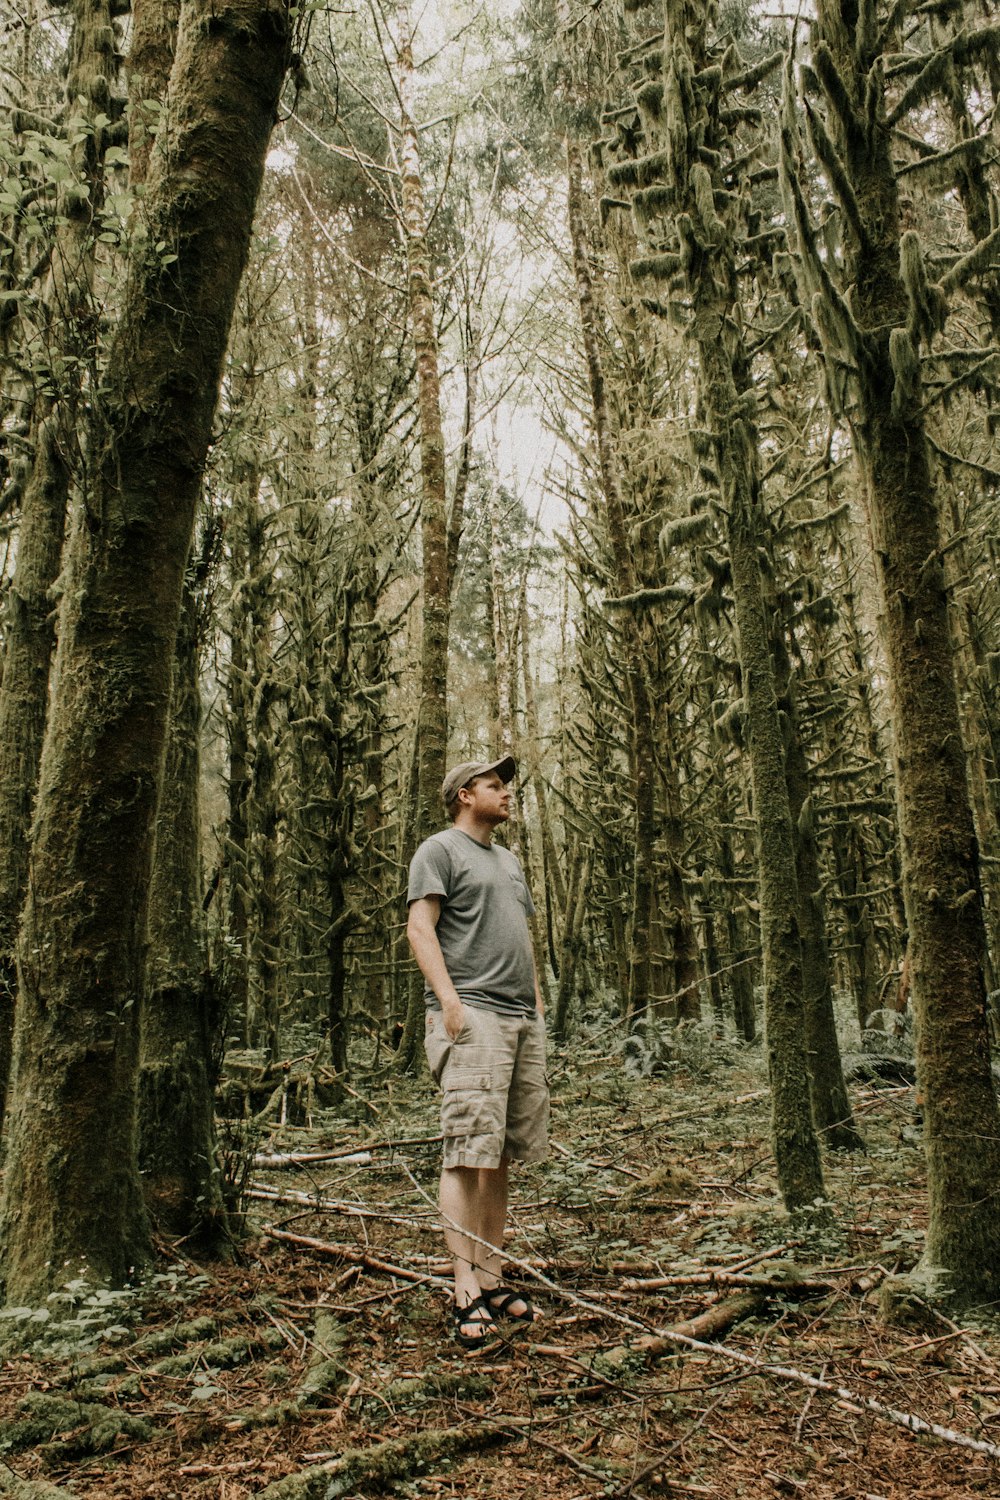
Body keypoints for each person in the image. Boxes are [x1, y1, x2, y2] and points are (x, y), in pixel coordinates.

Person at [406, 755, 549, 1351]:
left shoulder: (509, 860)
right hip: (472, 1014)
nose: (506, 793)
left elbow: (521, 936)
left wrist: (538, 1007)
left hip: (519, 1019)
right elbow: (420, 927)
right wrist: (450, 1003)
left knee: (501, 1155)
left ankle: (491, 1278)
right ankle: (463, 1286)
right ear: (465, 794)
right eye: (495, 785)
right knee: (467, 1151)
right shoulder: (438, 850)